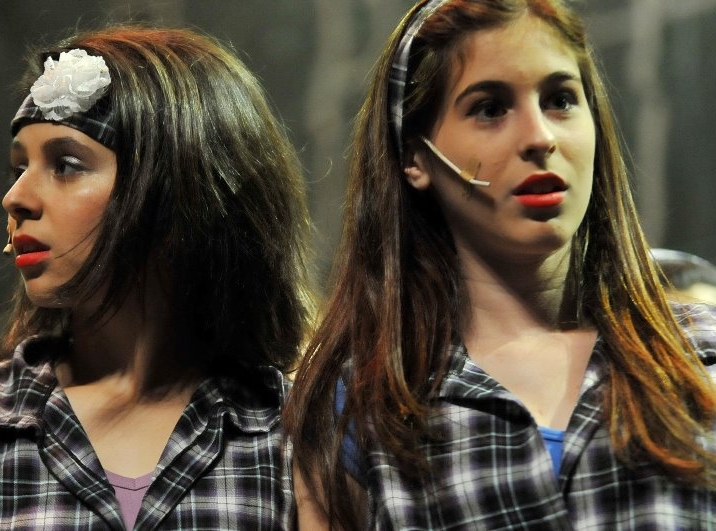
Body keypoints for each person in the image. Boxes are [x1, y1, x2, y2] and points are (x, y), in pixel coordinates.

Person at [285, 0, 716, 529]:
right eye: (490, 109)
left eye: (560, 100)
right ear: (415, 157)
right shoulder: (359, 405)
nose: (540, 138)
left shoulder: (702, 356)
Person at [0, 26, 312, 529]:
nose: (15, 198)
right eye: (19, 167)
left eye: (66, 165)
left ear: (178, 186)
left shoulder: (303, 438)